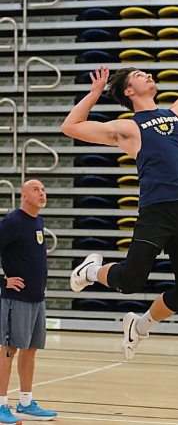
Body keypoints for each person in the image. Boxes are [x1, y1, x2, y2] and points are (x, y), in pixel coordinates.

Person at [61, 13, 178, 361]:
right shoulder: (127, 127)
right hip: (157, 210)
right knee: (131, 280)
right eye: (139, 75)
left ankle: (140, 325)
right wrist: (94, 93)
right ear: (130, 91)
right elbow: (70, 127)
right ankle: (89, 270)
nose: (148, 74)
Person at [0, 179, 57, 424]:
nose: (42, 193)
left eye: (43, 189)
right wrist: (3, 282)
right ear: (24, 196)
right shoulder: (12, 222)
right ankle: (1, 404)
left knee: (30, 350)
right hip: (16, 299)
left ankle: (25, 402)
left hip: (37, 299)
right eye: (36, 189)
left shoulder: (38, 221)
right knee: (8, 351)